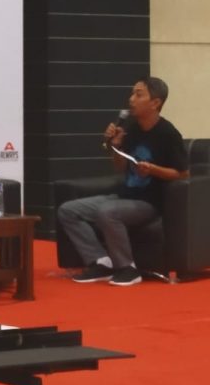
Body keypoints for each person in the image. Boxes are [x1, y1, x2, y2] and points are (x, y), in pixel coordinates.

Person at [58, 77, 189, 286]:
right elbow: (120, 167)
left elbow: (182, 174)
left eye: (139, 94)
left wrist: (153, 170)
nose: (131, 99)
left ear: (155, 103)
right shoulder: (132, 128)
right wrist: (116, 146)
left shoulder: (168, 134)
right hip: (124, 195)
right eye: (132, 93)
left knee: (107, 212)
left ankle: (127, 268)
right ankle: (101, 262)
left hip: (149, 202)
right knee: (68, 210)